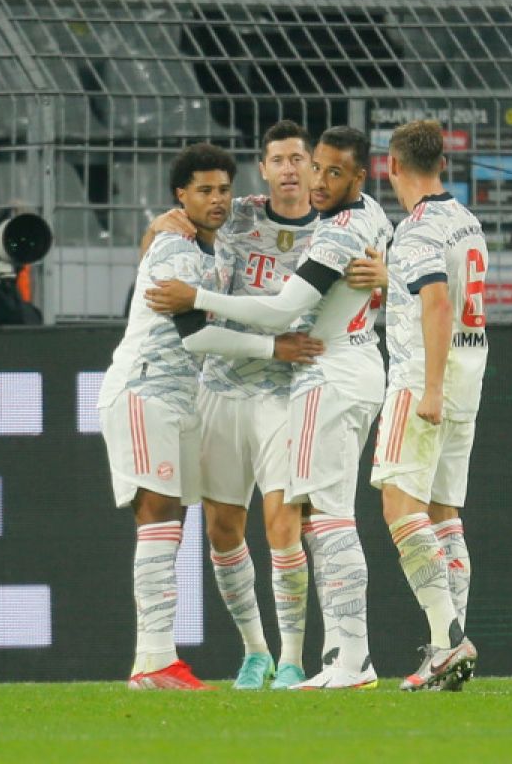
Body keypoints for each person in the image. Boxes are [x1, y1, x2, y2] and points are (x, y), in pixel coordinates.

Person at [145, 126, 394, 690]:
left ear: (317, 169)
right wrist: (159, 227)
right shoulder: (236, 214)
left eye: (300, 160)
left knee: (287, 525)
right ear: (262, 169)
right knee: (223, 528)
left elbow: (382, 278)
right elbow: (171, 233)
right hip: (225, 385)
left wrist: (386, 278)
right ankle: (254, 651)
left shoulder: (342, 225)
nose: (290, 169)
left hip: (292, 387)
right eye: (277, 159)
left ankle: (291, 658)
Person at [97, 142, 321, 690]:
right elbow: (195, 335)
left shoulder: (207, 243)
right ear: (182, 195)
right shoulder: (176, 250)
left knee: (166, 520)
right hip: (145, 386)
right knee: (158, 519)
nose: (217, 199)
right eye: (204, 190)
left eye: (223, 188)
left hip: (177, 398)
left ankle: (158, 658)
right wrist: (274, 350)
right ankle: (153, 660)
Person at [366, 120, 483, 692]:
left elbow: (436, 304)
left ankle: (448, 638)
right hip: (470, 376)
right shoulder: (465, 220)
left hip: (423, 379)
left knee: (398, 505)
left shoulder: (414, 232)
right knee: (444, 515)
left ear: (392, 167)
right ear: (441, 164)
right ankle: (444, 648)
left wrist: (430, 387)